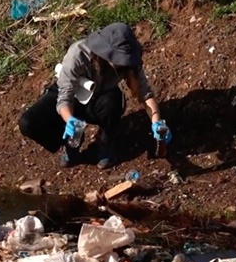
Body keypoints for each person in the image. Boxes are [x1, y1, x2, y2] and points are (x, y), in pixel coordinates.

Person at [18, 22, 172, 169]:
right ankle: (70, 141)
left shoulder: (130, 62)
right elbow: (64, 96)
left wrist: (157, 122)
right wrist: (70, 120)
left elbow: (145, 94)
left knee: (113, 102)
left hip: (100, 98)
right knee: (28, 123)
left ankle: (105, 142)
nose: (121, 63)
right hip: (72, 93)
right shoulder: (78, 54)